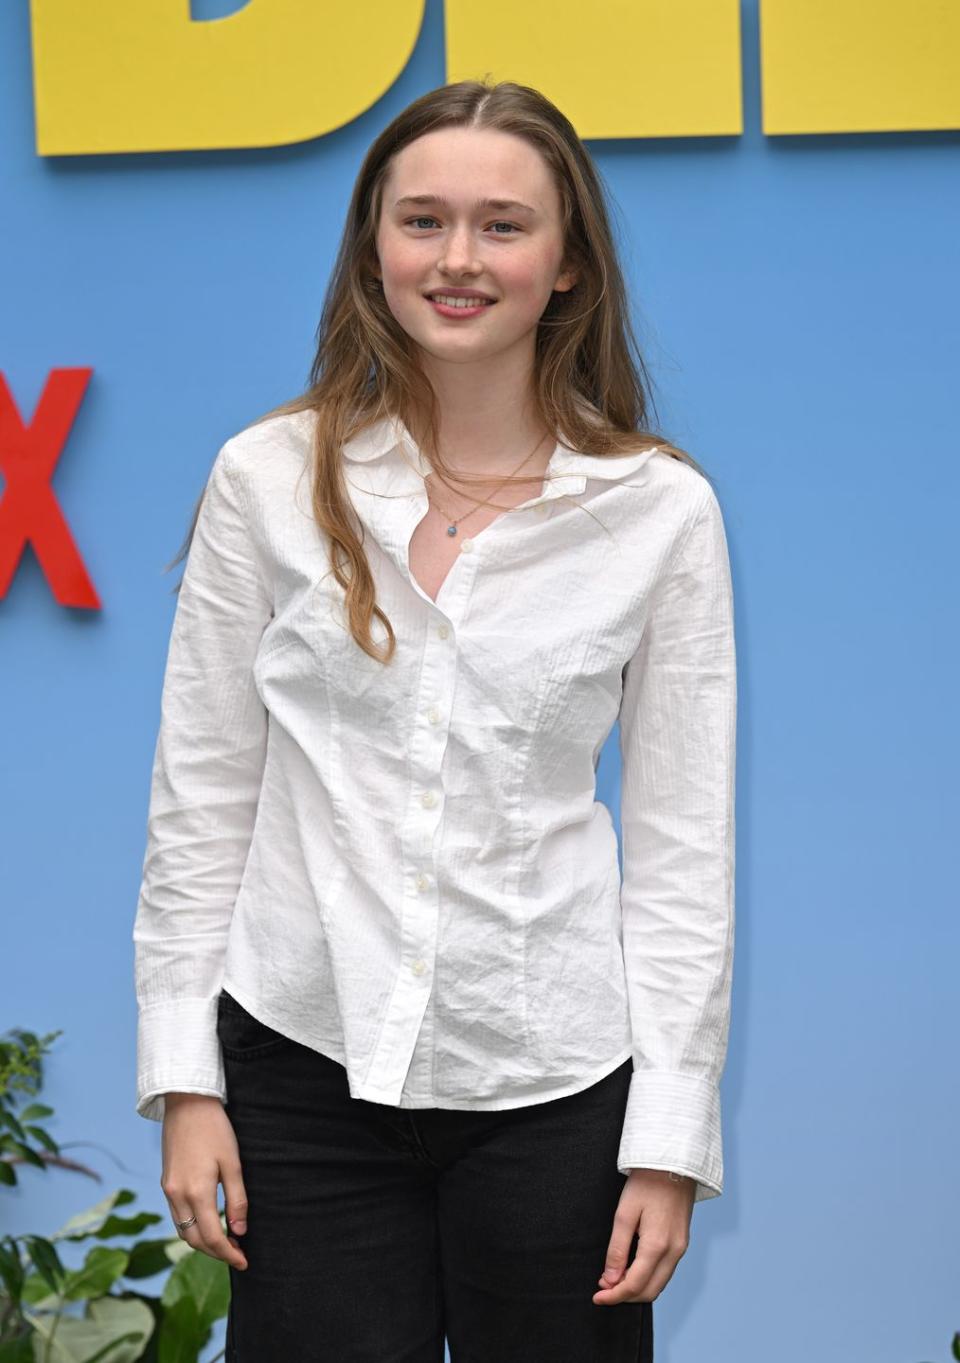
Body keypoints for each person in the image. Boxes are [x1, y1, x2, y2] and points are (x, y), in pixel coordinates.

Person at [132, 78, 737, 1362]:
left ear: (567, 264)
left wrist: (670, 1141)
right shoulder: (266, 480)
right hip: (301, 1068)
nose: (459, 258)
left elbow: (685, 856)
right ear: (374, 248)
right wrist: (188, 1082)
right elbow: (202, 805)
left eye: (504, 225)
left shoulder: (661, 514)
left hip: (556, 1084)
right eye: (423, 221)